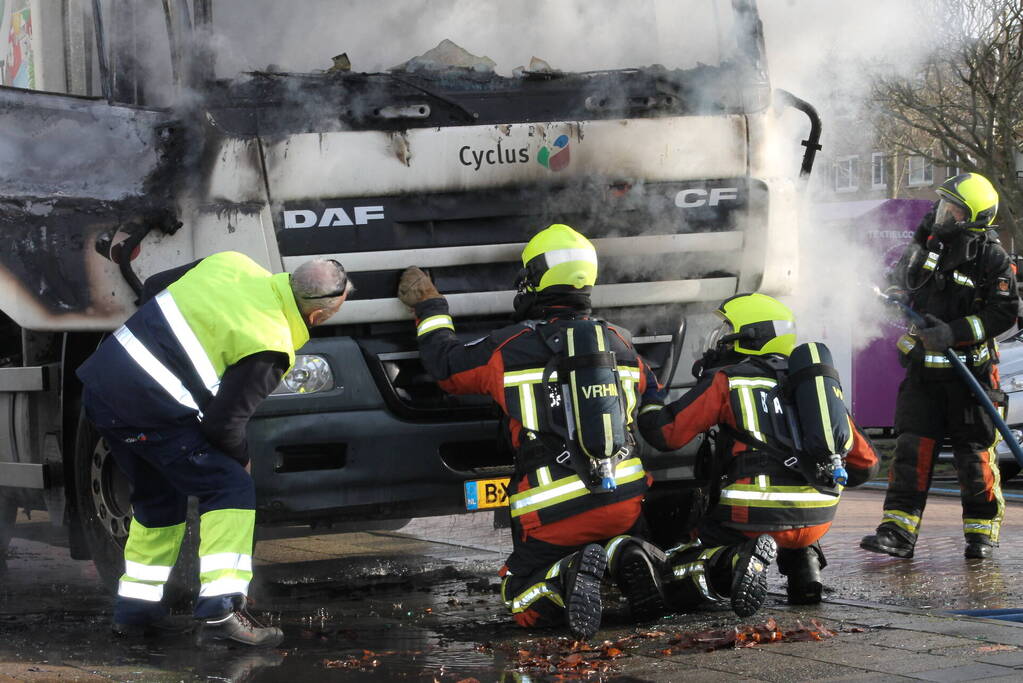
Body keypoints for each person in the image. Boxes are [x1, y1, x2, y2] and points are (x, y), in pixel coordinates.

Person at [397, 224, 679, 639]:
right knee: (619, 540)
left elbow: (445, 366)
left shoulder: (507, 347)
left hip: (552, 514)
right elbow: (654, 400)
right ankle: (625, 552)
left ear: (536, 280)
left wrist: (429, 306)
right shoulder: (621, 342)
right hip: (624, 502)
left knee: (522, 597)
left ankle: (564, 573)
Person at [76, 251, 351, 646]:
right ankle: (220, 612)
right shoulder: (271, 342)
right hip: (150, 411)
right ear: (319, 316)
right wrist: (241, 459)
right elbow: (225, 424)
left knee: (158, 503)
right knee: (229, 486)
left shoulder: (231, 262)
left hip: (103, 389)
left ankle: (134, 614)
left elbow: (154, 287)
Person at [638, 293, 880, 607]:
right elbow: (867, 465)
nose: (720, 341)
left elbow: (666, 435)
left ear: (751, 337)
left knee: (677, 570)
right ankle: (805, 573)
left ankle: (734, 562)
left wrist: (650, 399)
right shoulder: (811, 387)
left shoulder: (728, 380)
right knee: (794, 520)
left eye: (727, 332)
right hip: (816, 519)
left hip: (750, 517)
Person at [861, 172, 1019, 560]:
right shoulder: (926, 242)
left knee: (974, 456)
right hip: (923, 376)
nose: (942, 212)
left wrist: (953, 332)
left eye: (953, 208)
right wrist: (895, 297)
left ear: (973, 218)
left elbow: (1004, 314)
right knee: (911, 452)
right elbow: (899, 282)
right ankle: (897, 532)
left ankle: (980, 534)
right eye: (943, 203)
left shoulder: (992, 259)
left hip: (971, 378)